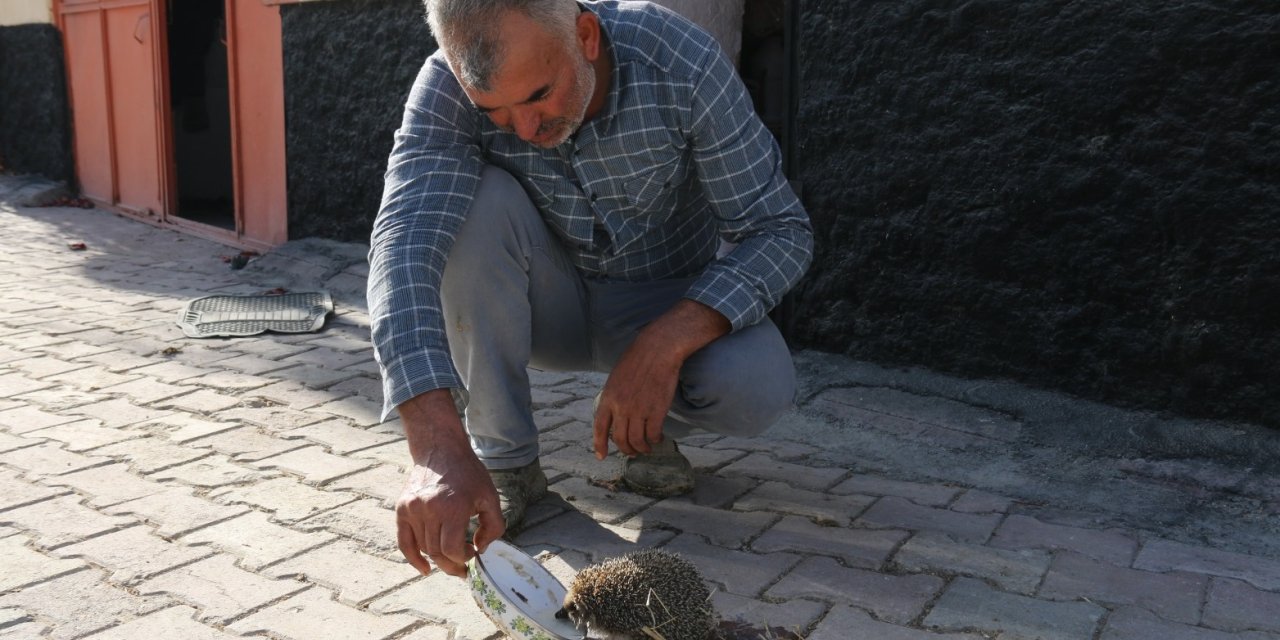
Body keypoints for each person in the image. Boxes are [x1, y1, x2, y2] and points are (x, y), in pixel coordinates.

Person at [369, 0, 813, 578]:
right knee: (466, 210)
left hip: (664, 296)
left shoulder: (679, 60)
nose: (525, 129)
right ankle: (507, 465)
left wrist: (663, 345)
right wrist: (434, 444)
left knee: (756, 385)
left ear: (585, 35)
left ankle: (648, 428)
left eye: (537, 95)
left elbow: (780, 230)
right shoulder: (445, 88)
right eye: (495, 113)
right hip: (544, 307)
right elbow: (401, 244)